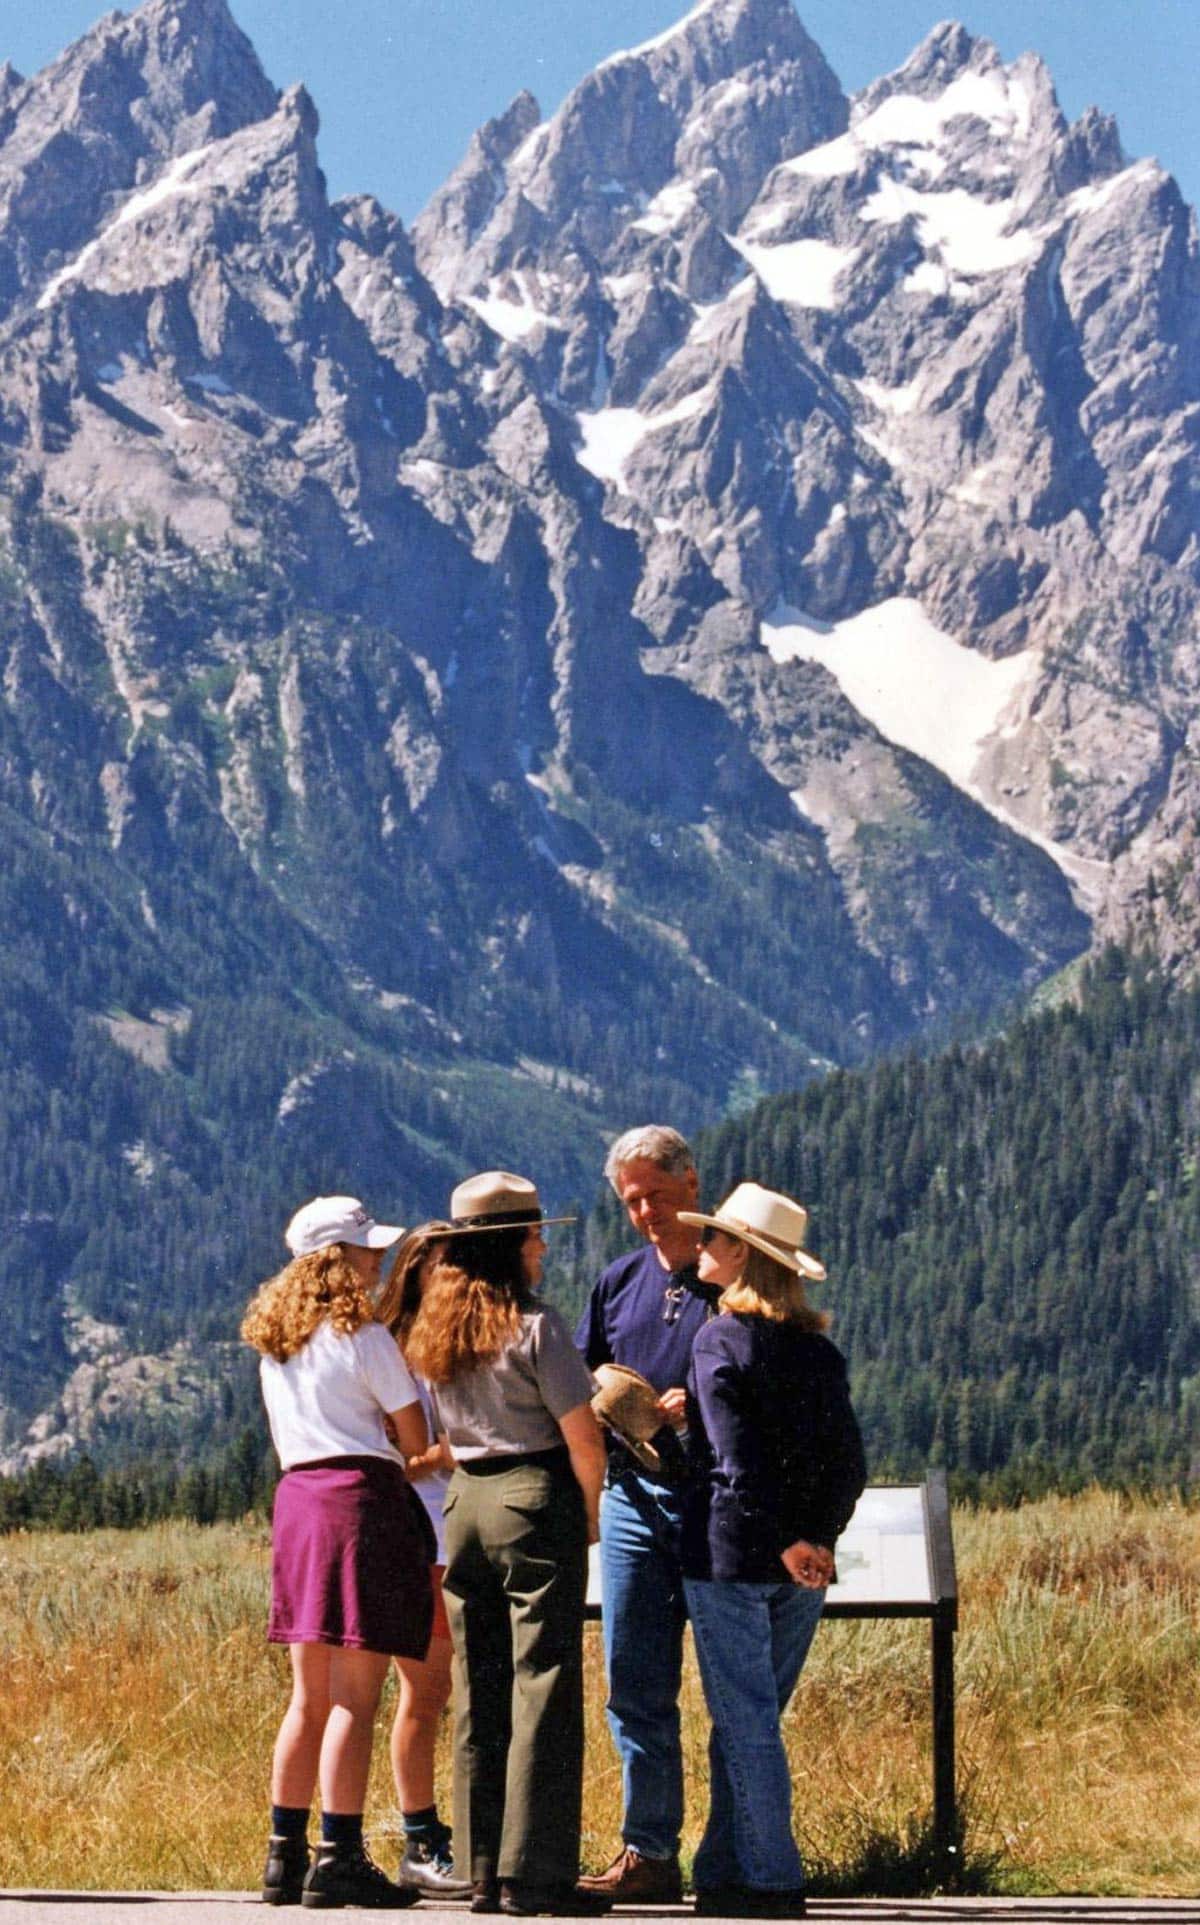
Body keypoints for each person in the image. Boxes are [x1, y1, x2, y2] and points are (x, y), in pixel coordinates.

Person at [404, 1171, 611, 1919]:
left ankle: (482, 1871)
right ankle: (537, 1872)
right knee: (543, 1682)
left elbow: (450, 1434)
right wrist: (590, 1509)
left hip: (464, 1505)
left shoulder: (440, 1328)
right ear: (509, 1244)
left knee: (479, 1688)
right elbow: (582, 1436)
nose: (543, 1244)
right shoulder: (536, 1324)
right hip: (533, 1494)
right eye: (533, 1232)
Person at [675, 1182, 867, 1919]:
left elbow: (733, 1463)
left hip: (730, 1557)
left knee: (746, 1720)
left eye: (714, 1240)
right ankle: (722, 1870)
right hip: (800, 1567)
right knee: (751, 1718)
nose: (702, 1249)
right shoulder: (820, 1351)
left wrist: (788, 1540)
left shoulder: (719, 1339)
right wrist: (817, 1542)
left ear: (743, 1256)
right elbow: (847, 1462)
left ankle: (772, 1879)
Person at [242, 1193, 434, 1911]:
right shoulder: (366, 1335)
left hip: (298, 1502)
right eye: (366, 1248)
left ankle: (281, 1856)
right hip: (361, 1501)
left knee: (309, 1694)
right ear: (337, 1258)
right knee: (358, 1695)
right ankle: (340, 1854)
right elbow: (415, 1441)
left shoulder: (276, 1341)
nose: (377, 1258)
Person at [575, 1126, 718, 1905]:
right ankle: (651, 1851)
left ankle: (735, 1853)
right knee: (634, 1678)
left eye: (657, 1195)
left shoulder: (733, 1274)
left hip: (713, 1500)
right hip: (630, 1493)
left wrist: (700, 1405)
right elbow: (580, 1372)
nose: (645, 1211)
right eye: (631, 1199)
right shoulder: (617, 1281)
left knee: (734, 1690)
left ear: (690, 1183)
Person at [375, 1222, 473, 1898]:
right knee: (426, 1693)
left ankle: (463, 1830)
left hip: (464, 1535)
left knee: (462, 1693)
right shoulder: (394, 1354)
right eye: (444, 1269)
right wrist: (452, 1450)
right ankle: (421, 1832)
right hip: (423, 1540)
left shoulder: (460, 1346)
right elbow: (396, 1459)